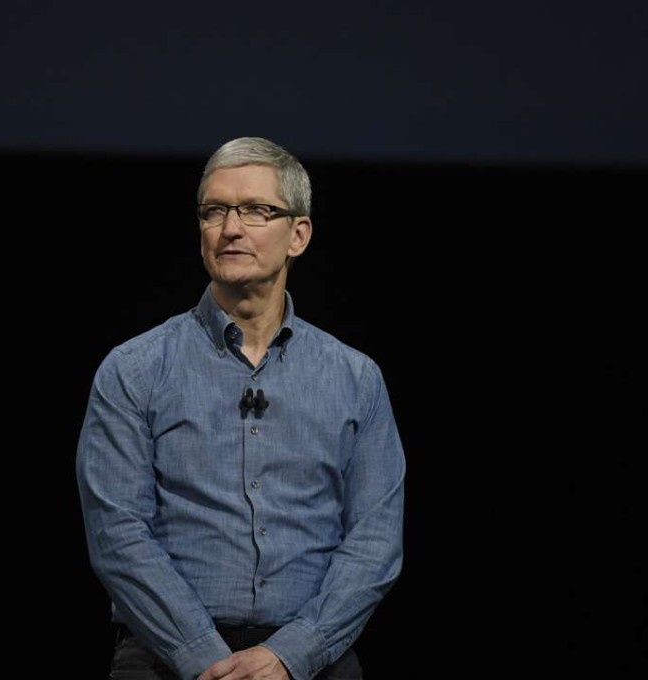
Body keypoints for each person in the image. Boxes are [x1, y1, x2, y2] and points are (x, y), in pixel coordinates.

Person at [75, 137, 406, 680]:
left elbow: (375, 541)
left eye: (256, 210)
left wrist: (289, 655)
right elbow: (117, 533)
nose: (231, 228)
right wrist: (203, 657)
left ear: (298, 234)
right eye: (215, 211)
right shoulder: (134, 369)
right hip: (166, 658)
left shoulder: (356, 379)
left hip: (309, 659)